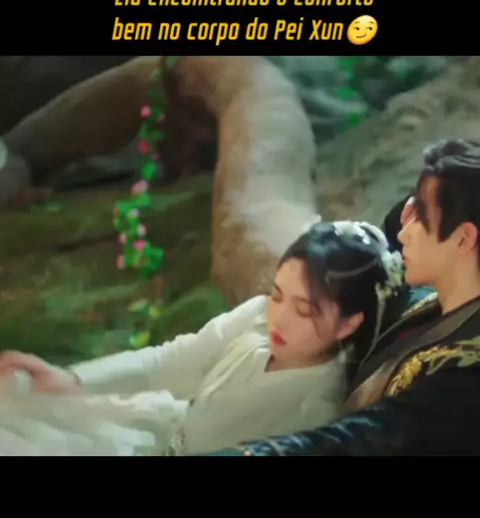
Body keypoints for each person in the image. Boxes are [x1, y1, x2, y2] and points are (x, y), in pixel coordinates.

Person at [0, 218, 404, 456]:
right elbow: (176, 359)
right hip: (155, 429)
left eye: (303, 310)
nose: (278, 317)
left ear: (348, 324)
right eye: (278, 294)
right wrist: (73, 379)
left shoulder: (313, 410)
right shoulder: (258, 315)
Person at [203, 138, 480, 456]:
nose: (406, 230)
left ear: (464, 238)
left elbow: (361, 441)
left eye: (421, 217)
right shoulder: (444, 295)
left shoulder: (464, 378)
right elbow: (395, 227)